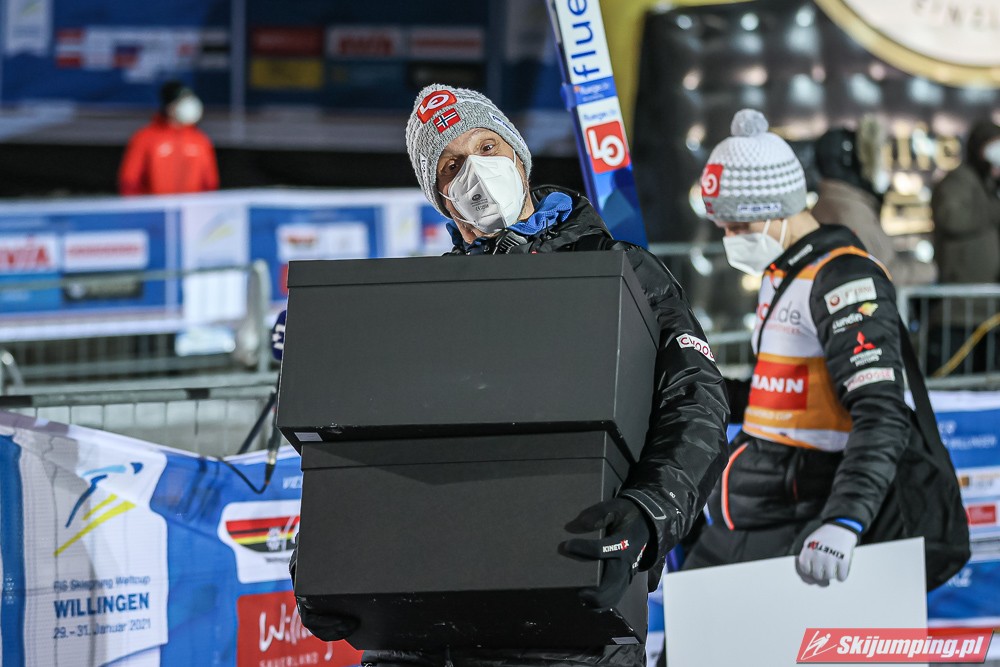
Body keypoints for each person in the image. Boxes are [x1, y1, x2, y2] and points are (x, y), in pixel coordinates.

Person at [289, 84, 730, 667]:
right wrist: (320, 558)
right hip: (420, 639)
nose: (475, 170)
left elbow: (695, 400)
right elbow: (362, 441)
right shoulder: (418, 301)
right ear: (443, 201)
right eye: (451, 166)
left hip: (572, 633)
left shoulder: (625, 271)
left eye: (486, 146)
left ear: (518, 156)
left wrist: (650, 512)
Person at [683, 109, 911, 587]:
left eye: (739, 226)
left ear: (777, 208)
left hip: (802, 518)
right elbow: (775, 393)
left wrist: (845, 519)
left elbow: (882, 410)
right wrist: (691, 389)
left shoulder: (844, 277)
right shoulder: (782, 273)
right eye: (723, 226)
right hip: (751, 511)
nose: (730, 239)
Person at [812, 118, 936, 287]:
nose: (883, 166)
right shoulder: (850, 211)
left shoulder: (836, 203)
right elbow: (885, 272)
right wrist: (934, 271)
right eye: (877, 156)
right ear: (855, 162)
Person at [927, 120, 1000, 373]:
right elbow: (951, 217)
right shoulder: (959, 181)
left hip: (986, 309)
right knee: (953, 378)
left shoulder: (986, 186)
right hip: (959, 309)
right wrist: (992, 210)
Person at [118, 80, 219, 196]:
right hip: (155, 206)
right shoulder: (144, 138)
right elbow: (129, 182)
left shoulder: (200, 140)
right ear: (169, 107)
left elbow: (210, 184)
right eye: (182, 102)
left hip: (191, 207)